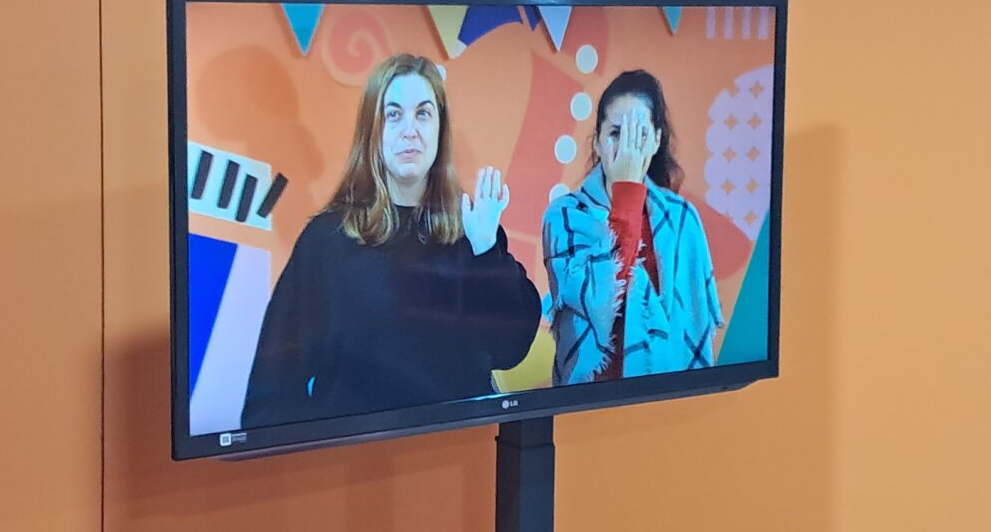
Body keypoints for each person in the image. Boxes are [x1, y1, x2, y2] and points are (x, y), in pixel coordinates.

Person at [241, 54, 541, 429]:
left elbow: (510, 350)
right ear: (373, 129)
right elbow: (273, 388)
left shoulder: (473, 229)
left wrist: (485, 252)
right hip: (358, 457)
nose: (409, 130)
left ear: (440, 129)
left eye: (423, 114)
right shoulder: (327, 240)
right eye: (393, 115)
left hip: (458, 448)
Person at [542, 69, 724, 386]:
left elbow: (695, 331)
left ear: (656, 141)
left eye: (638, 135)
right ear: (597, 142)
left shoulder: (682, 218)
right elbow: (598, 306)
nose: (627, 149)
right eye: (616, 133)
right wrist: (626, 196)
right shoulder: (565, 216)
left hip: (667, 399)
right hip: (590, 402)